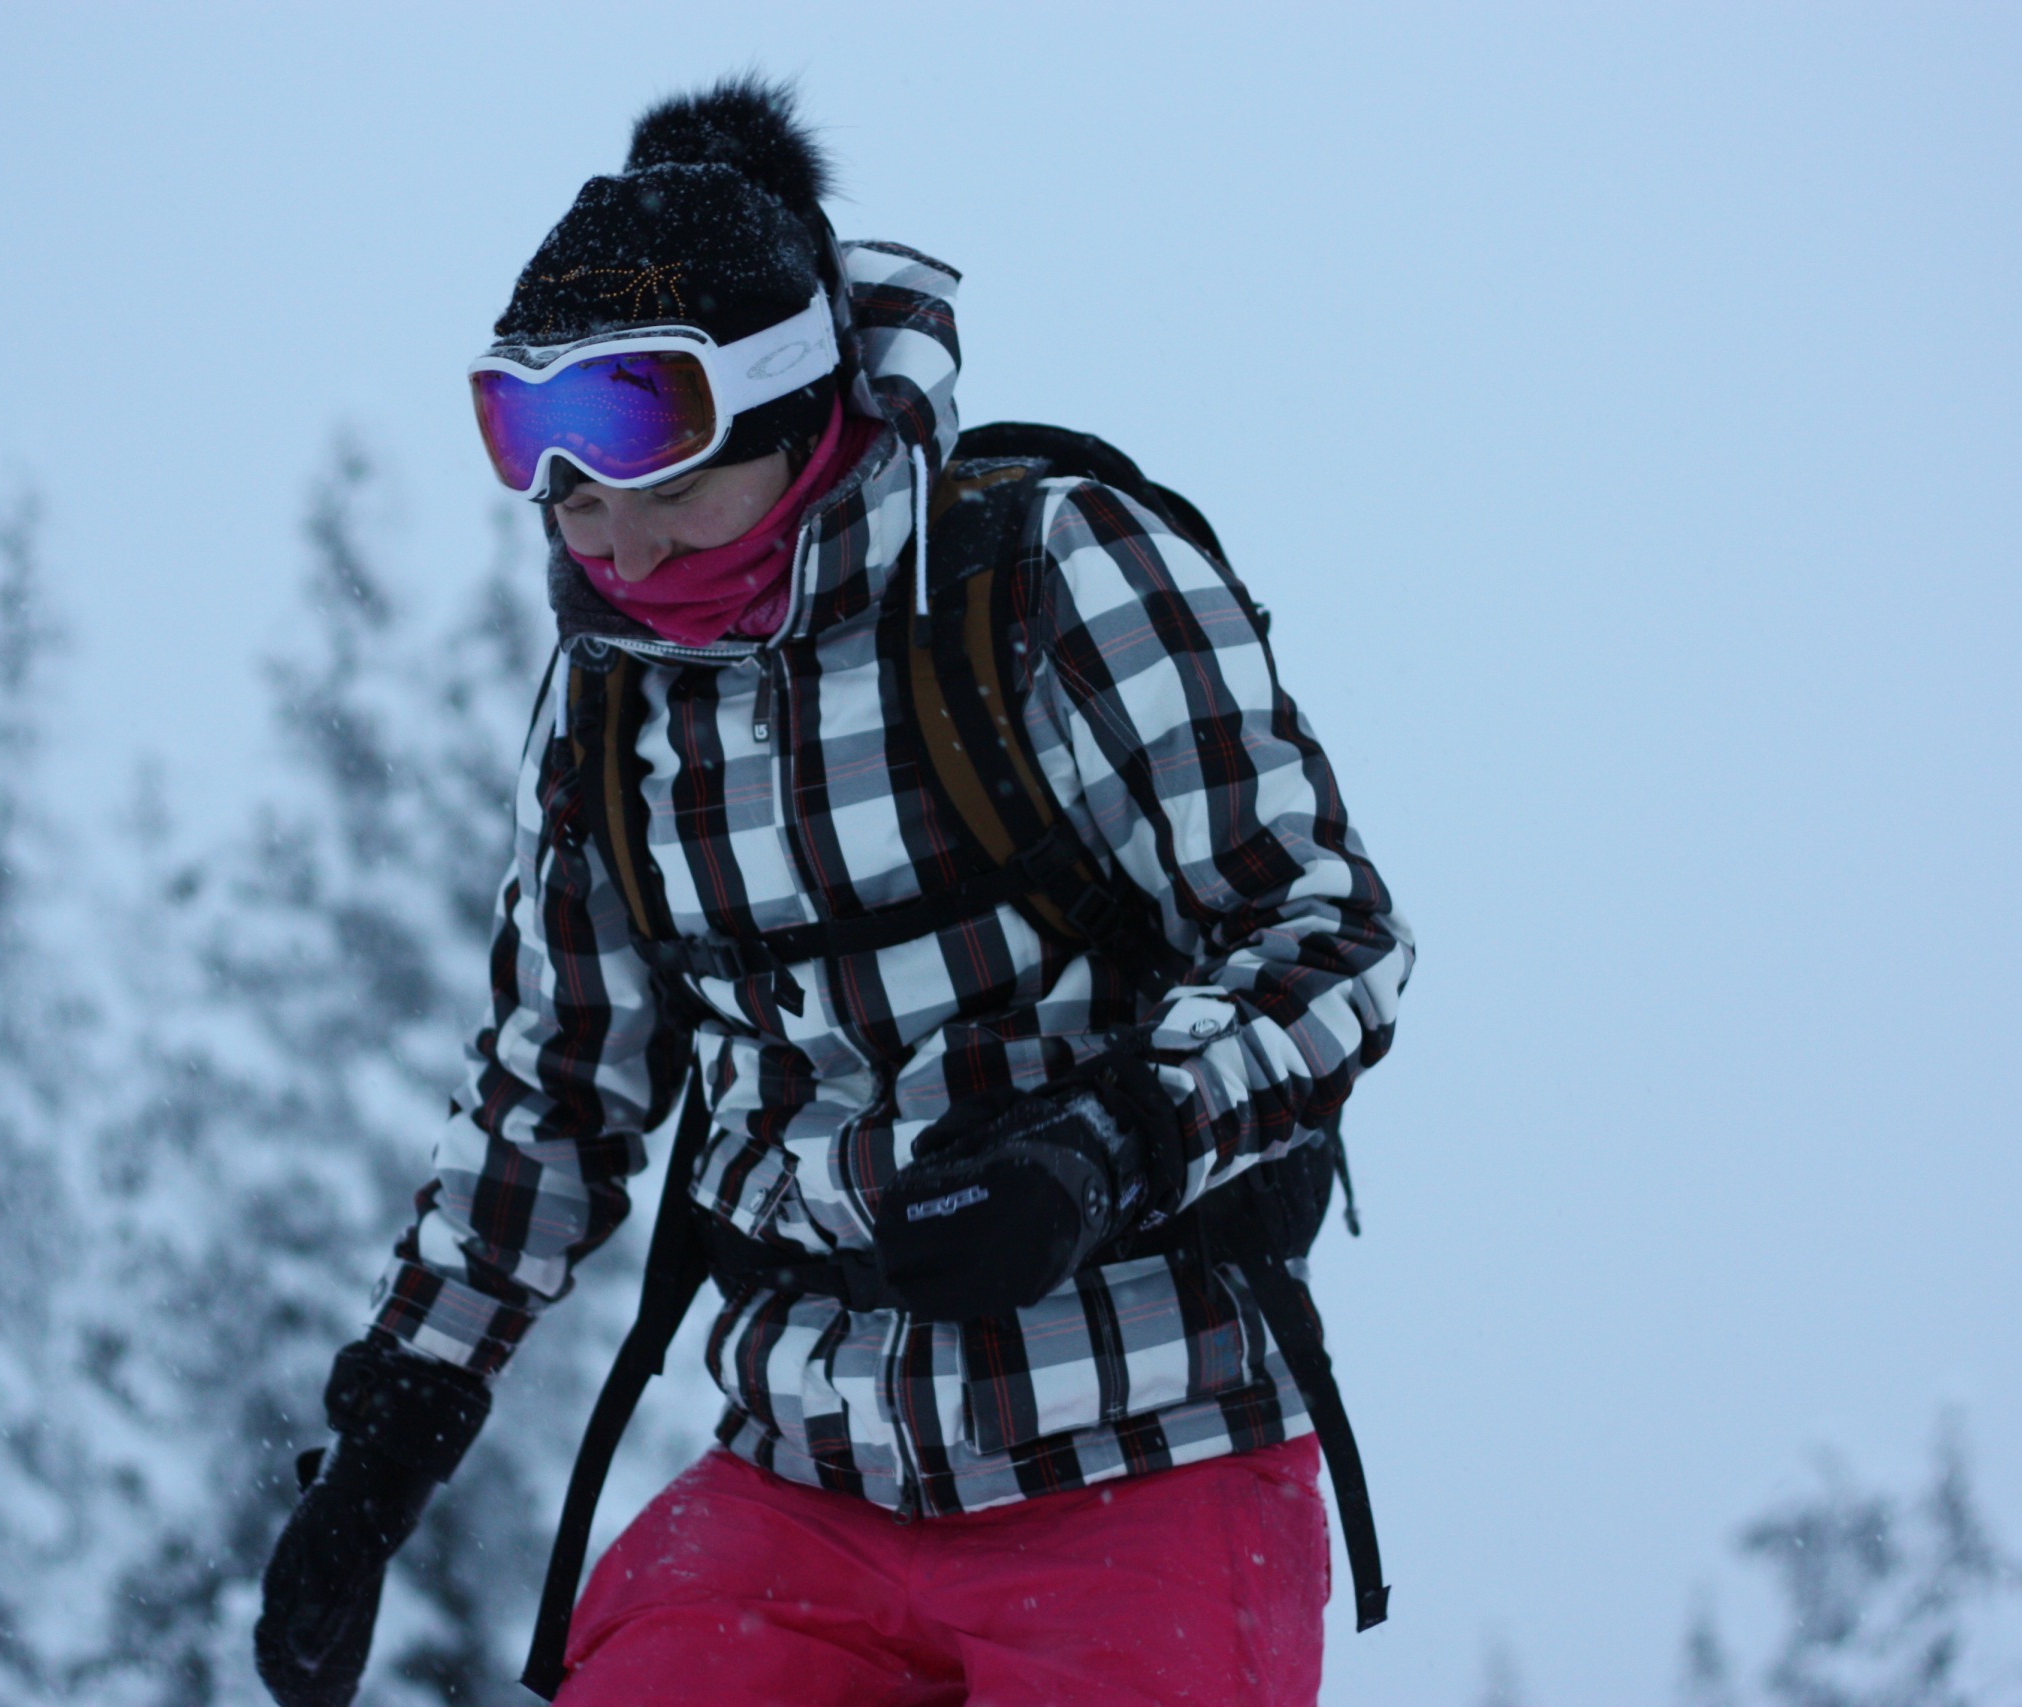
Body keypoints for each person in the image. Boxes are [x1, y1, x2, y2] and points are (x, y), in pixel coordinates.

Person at [255, 76, 1414, 1707]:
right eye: (568, 490)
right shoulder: (610, 704)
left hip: (1143, 1444)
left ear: (798, 415)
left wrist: (1108, 1145)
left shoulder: (1045, 577)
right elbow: (555, 1090)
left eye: (666, 485)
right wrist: (393, 1432)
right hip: (804, 1479)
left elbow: (1325, 931)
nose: (616, 548)